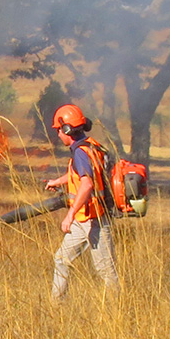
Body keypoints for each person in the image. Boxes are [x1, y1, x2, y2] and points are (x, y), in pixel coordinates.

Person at [43, 103, 119, 300]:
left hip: (95, 221)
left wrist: (69, 215)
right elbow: (79, 174)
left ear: (67, 129)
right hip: (84, 219)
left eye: (59, 130)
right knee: (61, 259)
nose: (58, 134)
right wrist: (57, 181)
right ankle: (57, 306)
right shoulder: (91, 145)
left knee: (106, 272)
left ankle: (117, 314)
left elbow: (87, 185)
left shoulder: (80, 152)